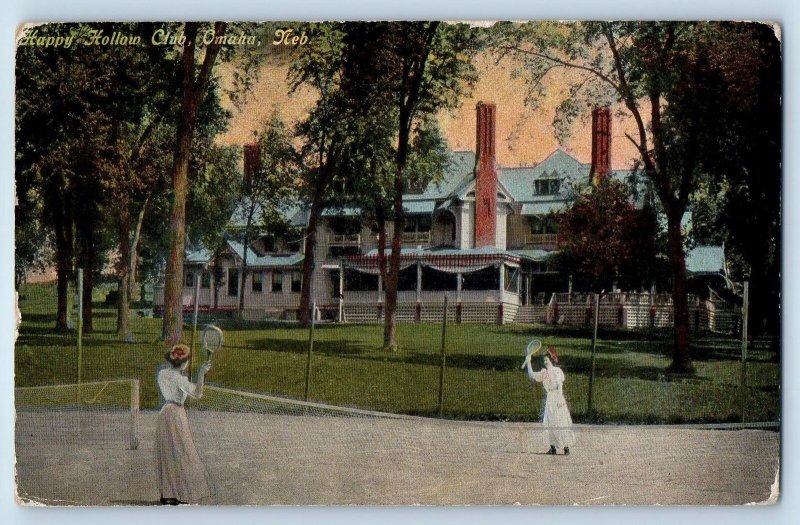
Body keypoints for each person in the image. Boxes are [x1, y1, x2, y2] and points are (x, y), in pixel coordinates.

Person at [155, 343, 213, 505]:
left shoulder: (162, 374)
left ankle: (168, 493)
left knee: (167, 452)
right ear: (184, 362)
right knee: (181, 452)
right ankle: (179, 493)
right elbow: (197, 393)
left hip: (165, 412)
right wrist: (201, 373)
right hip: (176, 415)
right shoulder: (180, 379)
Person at [523, 346, 575, 455]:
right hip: (550, 398)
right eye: (544, 360)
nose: (545, 362)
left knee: (561, 421)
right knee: (548, 421)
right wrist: (528, 362)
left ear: (551, 360)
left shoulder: (557, 371)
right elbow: (532, 375)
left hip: (558, 398)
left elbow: (560, 385)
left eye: (546, 359)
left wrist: (560, 399)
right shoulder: (544, 373)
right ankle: (552, 448)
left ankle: (566, 447)